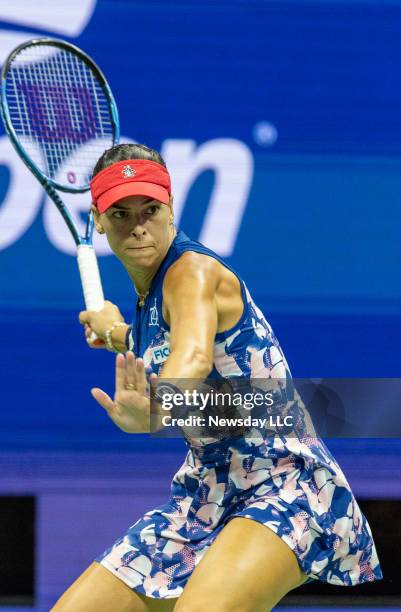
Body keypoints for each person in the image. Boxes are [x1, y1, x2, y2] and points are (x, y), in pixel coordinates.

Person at [52, 144, 382, 612]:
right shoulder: (151, 296)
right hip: (205, 495)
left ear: (171, 208)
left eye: (151, 209)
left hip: (286, 487)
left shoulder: (193, 273)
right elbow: (170, 341)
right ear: (99, 219)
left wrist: (154, 410)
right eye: (121, 214)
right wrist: (120, 334)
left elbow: (189, 356)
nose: (139, 226)